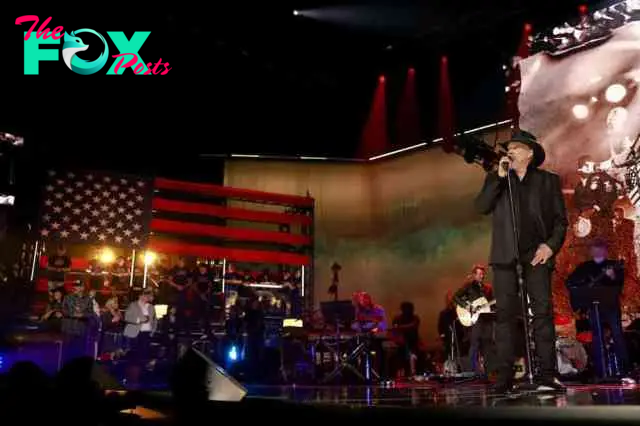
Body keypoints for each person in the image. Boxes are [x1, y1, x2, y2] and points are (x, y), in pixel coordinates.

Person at [474, 129, 569, 394]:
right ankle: (504, 377)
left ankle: (548, 374)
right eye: (509, 148)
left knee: (542, 314)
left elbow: (561, 221)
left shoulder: (548, 181)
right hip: (505, 257)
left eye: (515, 147)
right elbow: (480, 207)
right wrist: (498, 178)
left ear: (529, 153)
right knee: (505, 316)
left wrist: (550, 247)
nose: (510, 151)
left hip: (537, 256)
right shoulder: (498, 179)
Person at [566, 238, 628, 378]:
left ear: (605, 251)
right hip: (594, 307)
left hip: (610, 306)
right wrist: (583, 285)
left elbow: (619, 284)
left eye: (601, 249)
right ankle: (600, 371)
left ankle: (624, 369)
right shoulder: (585, 266)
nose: (598, 251)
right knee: (596, 336)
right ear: (591, 251)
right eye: (595, 248)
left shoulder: (613, 265)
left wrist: (612, 277)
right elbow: (571, 281)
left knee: (617, 335)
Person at [453, 265, 496, 376]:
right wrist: (467, 307)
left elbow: (492, 303)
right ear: (474, 274)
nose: (481, 276)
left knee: (488, 344)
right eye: (479, 273)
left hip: (486, 318)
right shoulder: (468, 286)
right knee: (475, 344)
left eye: (482, 274)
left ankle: (489, 371)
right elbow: (456, 297)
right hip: (474, 319)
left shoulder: (488, 288)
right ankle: (473, 371)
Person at [391, 302, 424, 378]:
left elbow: (413, 325)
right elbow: (395, 328)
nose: (408, 310)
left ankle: (412, 371)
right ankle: (407, 372)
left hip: (412, 343)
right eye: (406, 308)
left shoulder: (415, 318)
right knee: (405, 355)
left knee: (412, 354)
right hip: (401, 344)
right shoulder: (398, 318)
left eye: (409, 308)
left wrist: (400, 327)